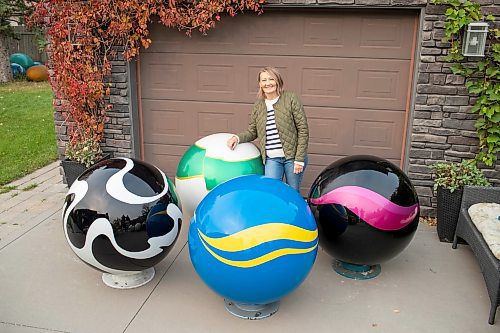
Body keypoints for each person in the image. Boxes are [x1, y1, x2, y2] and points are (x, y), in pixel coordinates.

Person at [227, 66, 309, 192]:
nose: (268, 83)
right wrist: (237, 138)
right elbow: (252, 131)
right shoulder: (258, 105)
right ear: (259, 84)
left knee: (292, 193)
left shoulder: (290, 98)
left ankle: (292, 212)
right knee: (271, 191)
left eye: (271, 79)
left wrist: (299, 159)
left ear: (277, 81)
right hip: (272, 159)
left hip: (292, 158)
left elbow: (303, 129)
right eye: (264, 80)